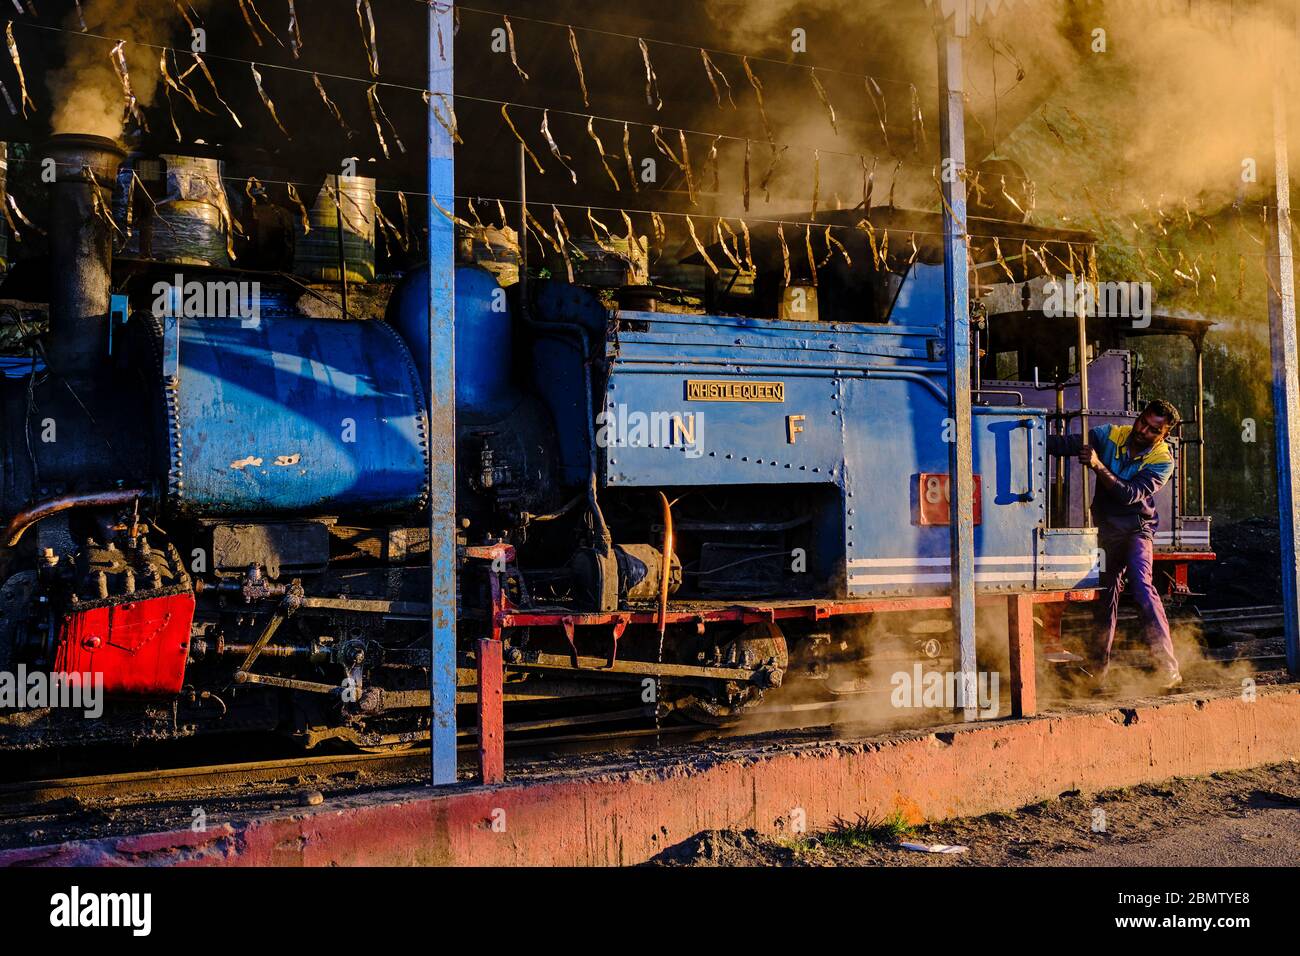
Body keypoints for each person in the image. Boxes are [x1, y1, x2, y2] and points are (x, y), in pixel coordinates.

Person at [1048, 399, 1182, 690]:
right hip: (1106, 532)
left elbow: (1129, 494)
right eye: (1142, 422)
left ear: (1163, 434)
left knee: (1143, 587)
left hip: (1137, 531)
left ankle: (1168, 669)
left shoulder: (1162, 461)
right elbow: (1065, 444)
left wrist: (1097, 465)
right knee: (1105, 597)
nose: (1142, 430)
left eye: (1152, 429)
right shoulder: (1109, 435)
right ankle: (1099, 673)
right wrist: (1026, 433)